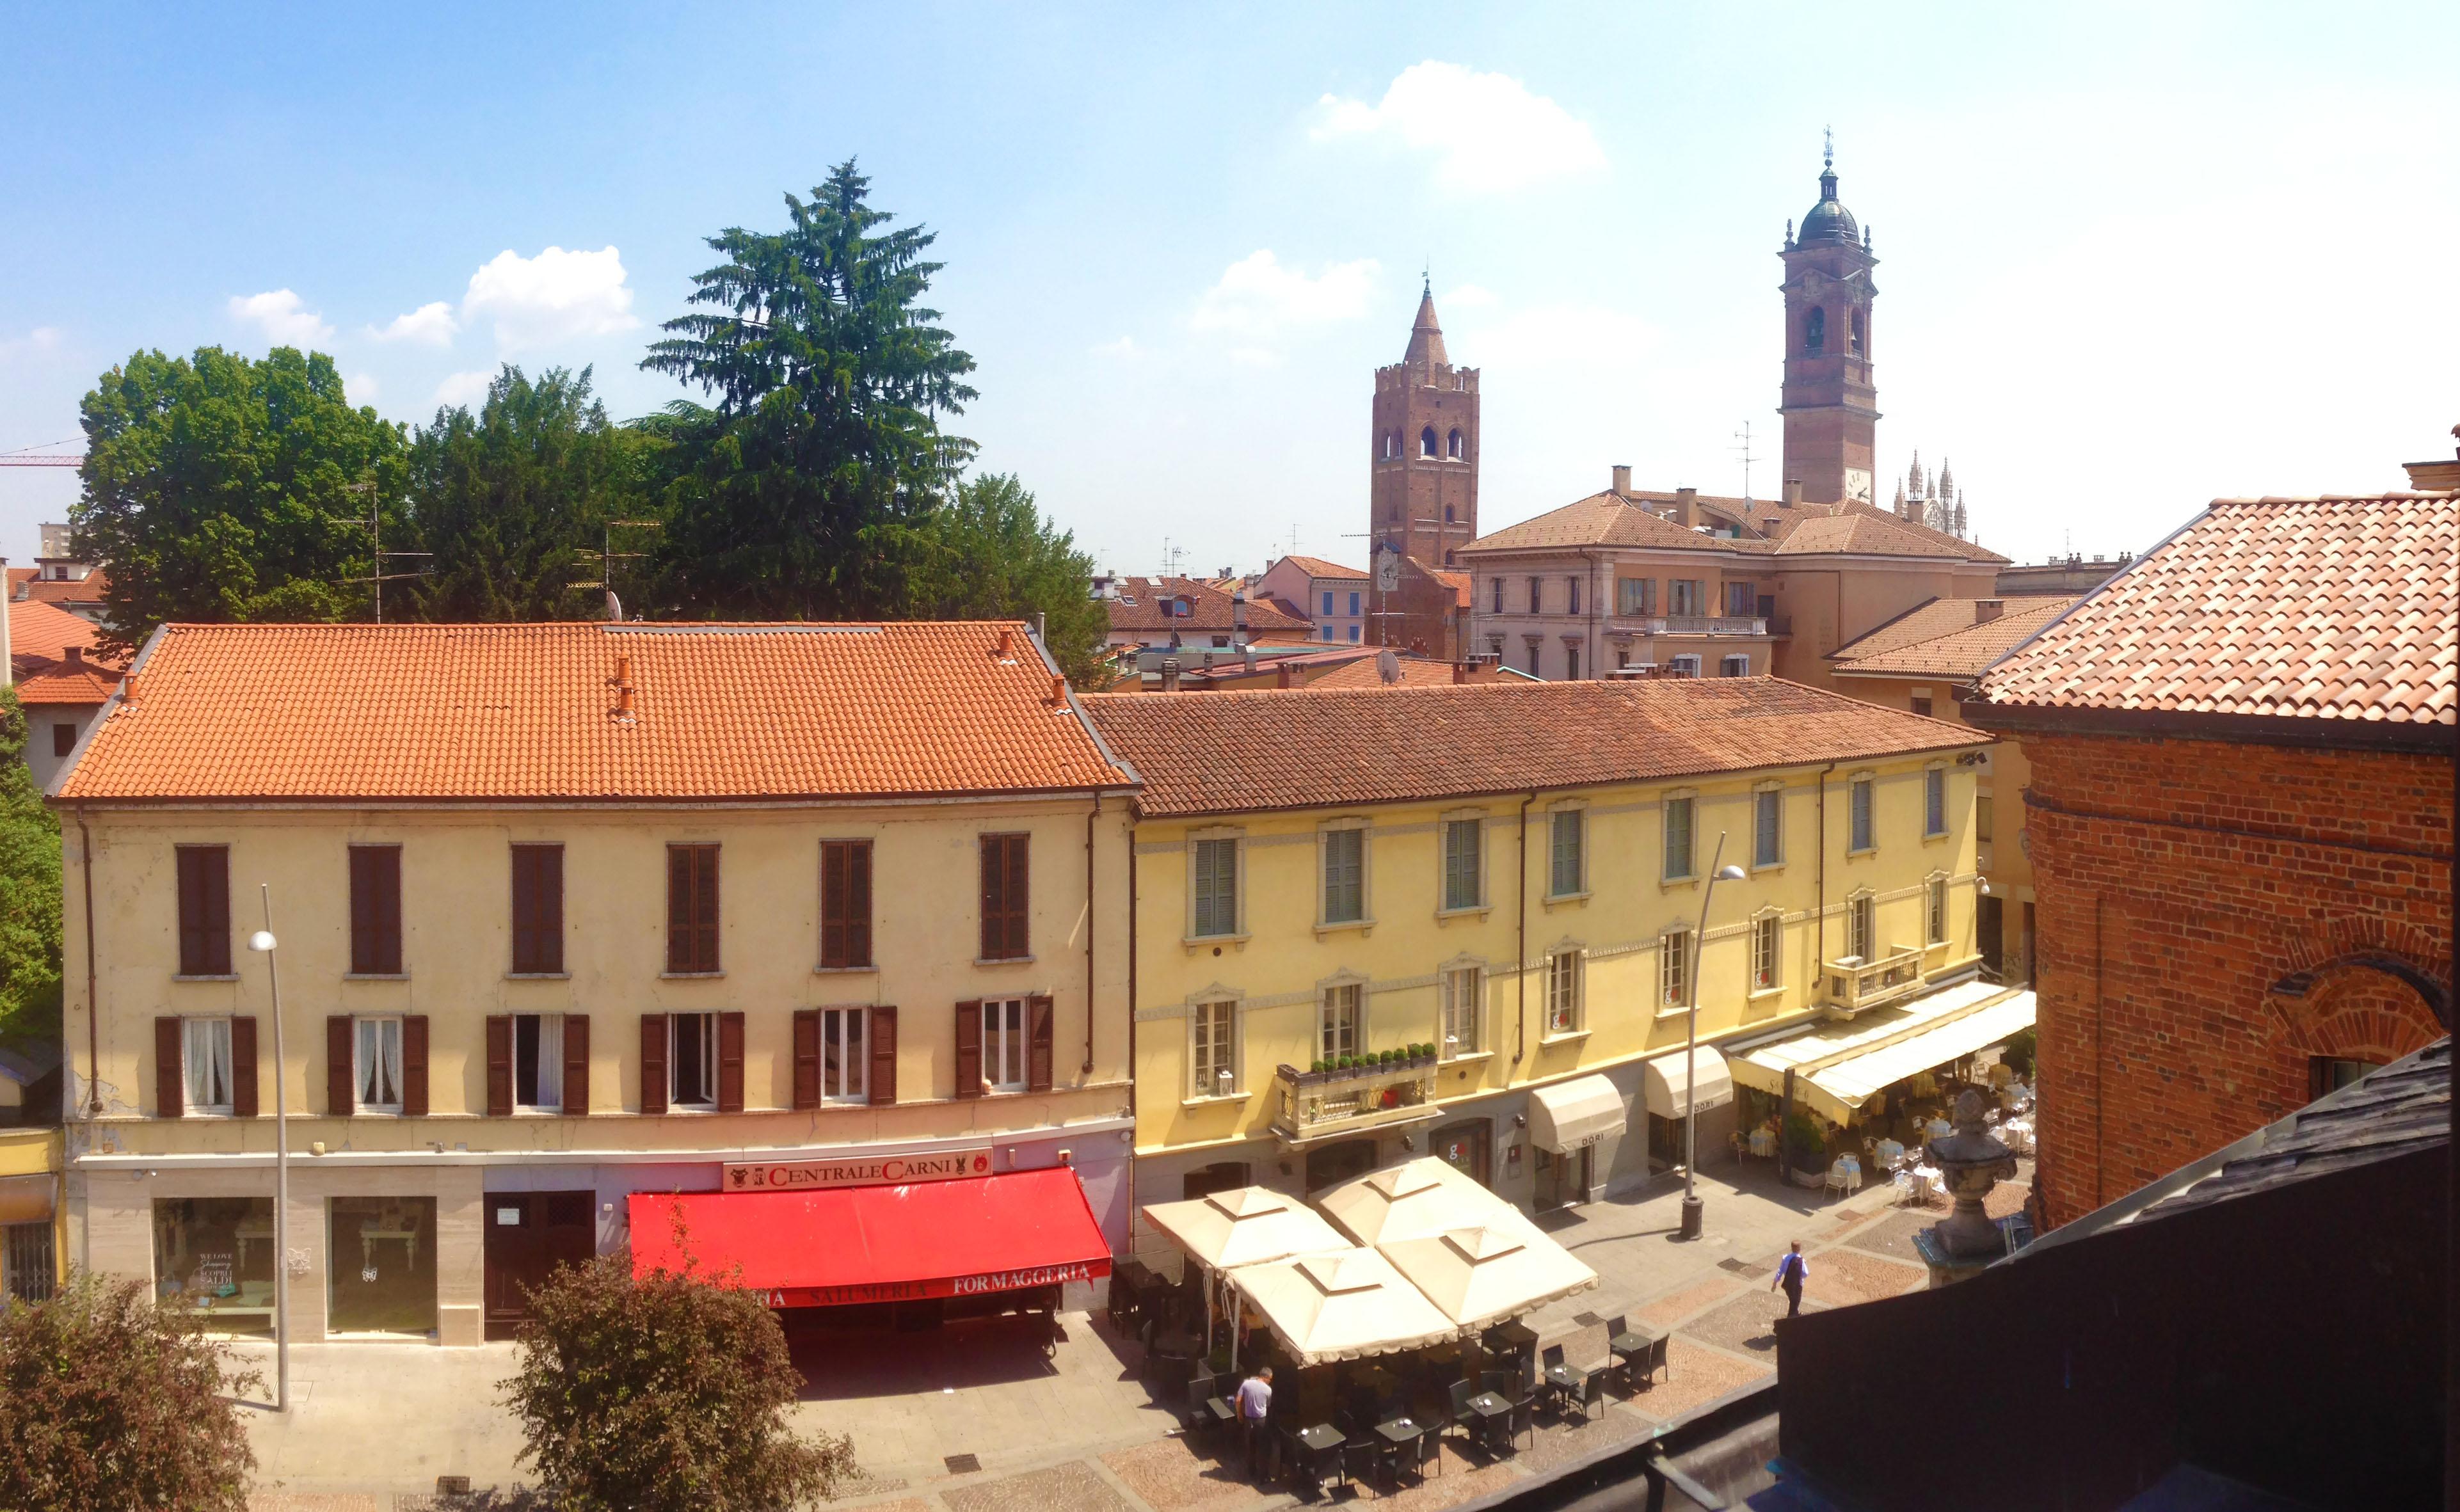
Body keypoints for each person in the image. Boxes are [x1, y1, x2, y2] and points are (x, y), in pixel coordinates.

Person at [1234, 1365, 1275, 1483]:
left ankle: (1251, 1471)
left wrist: (1239, 1413)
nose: (1270, 1382)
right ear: (1266, 1377)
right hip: (1261, 1421)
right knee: (1263, 1448)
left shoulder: (1246, 1384)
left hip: (1248, 1420)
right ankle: (1262, 1477)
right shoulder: (1268, 1390)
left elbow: (1238, 1400)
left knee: (1250, 1446)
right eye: (1270, 1379)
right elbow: (1267, 1406)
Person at [1771, 1241, 1809, 1317]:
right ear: (1799, 1248)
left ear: (1792, 1248)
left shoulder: (1786, 1258)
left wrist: (1775, 1283)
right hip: (1798, 1285)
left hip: (1788, 1284)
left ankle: (1795, 1313)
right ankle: (1792, 1317)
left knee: (1792, 1301)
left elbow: (1780, 1271)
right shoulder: (1801, 1260)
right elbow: (1805, 1273)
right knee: (1796, 1301)